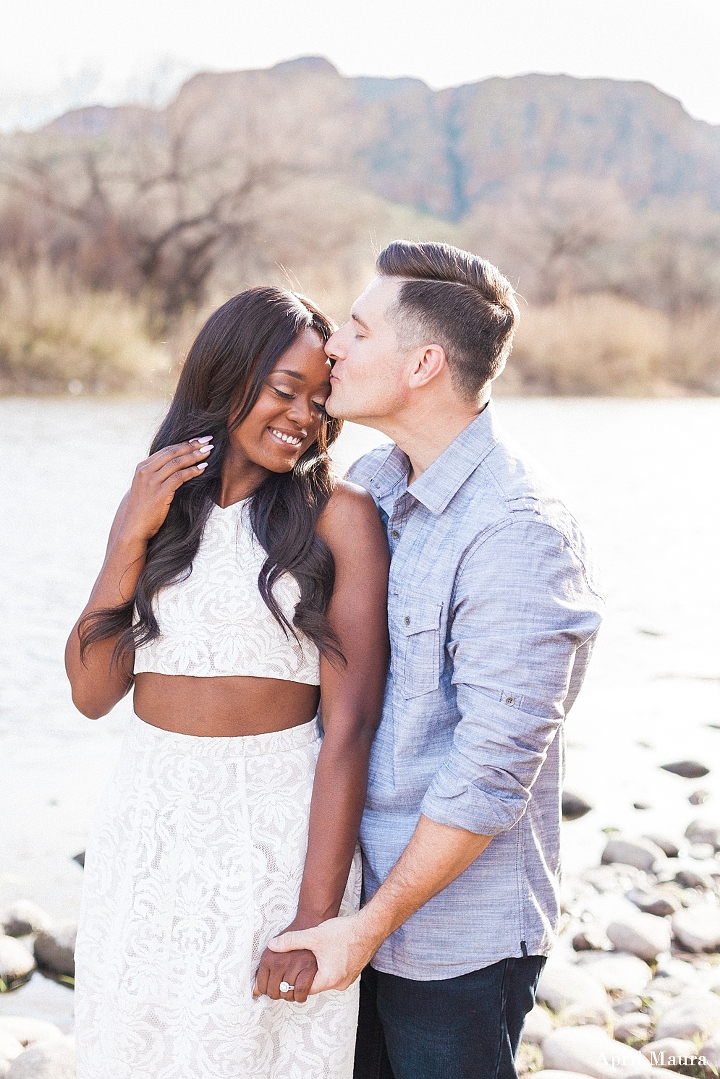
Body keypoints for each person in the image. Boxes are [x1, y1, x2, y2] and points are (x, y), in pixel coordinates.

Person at [268, 241, 604, 1079]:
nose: (332, 345)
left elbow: (491, 769)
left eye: (356, 328)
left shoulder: (519, 531)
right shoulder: (374, 484)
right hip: (352, 900)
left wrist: (368, 924)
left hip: (455, 938)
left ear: (422, 362)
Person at [65, 286, 389, 1079]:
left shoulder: (337, 514)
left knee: (252, 1053)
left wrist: (316, 918)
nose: (304, 416)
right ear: (225, 374)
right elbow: (91, 692)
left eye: (321, 398)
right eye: (285, 389)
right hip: (145, 824)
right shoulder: (159, 502)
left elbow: (350, 729)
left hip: (269, 832)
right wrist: (127, 535)